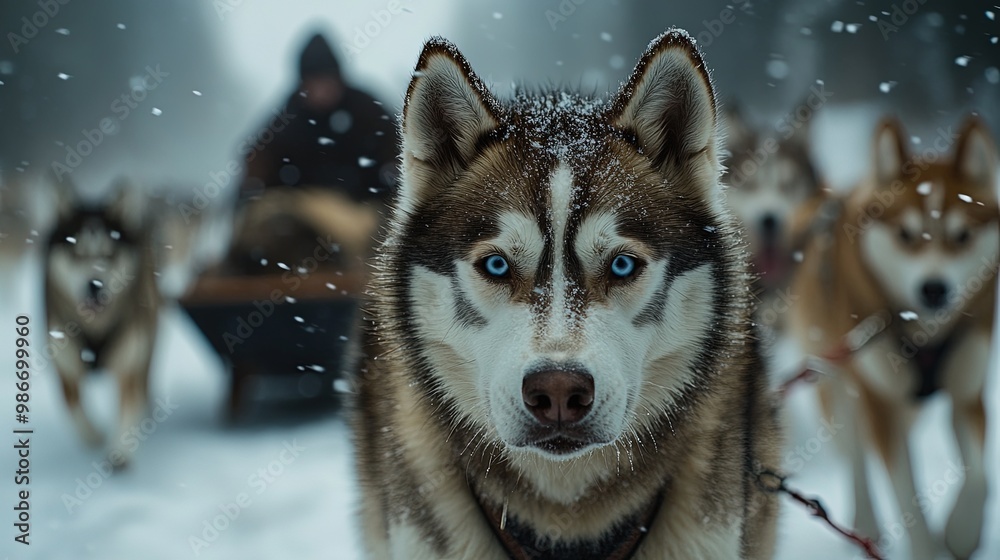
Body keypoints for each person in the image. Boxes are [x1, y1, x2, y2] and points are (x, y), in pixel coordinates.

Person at [240, 32, 398, 201]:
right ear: (303, 85)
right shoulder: (289, 117)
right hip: (302, 212)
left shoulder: (365, 109)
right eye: (315, 82)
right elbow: (259, 158)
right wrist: (253, 191)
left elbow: (398, 146)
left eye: (328, 81)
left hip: (364, 208)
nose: (323, 90)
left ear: (339, 79)